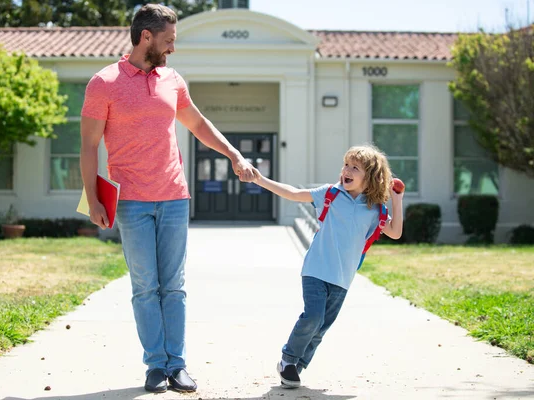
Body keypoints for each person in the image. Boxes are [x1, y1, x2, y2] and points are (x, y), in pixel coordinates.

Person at [79, 4, 255, 394]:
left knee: (173, 286)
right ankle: (155, 366)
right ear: (147, 37)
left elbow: (197, 124)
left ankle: (177, 365)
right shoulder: (103, 83)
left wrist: (234, 154)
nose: (173, 48)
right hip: (131, 202)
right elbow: (89, 147)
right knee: (145, 286)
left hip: (175, 196)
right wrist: (92, 199)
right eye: (169, 40)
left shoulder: (172, 80)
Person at [249, 144, 404, 388]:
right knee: (312, 317)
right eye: (346, 165)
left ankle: (294, 368)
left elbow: (395, 232)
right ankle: (288, 359)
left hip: (343, 278)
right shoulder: (330, 193)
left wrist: (397, 199)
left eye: (355, 167)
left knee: (321, 327)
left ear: (371, 176)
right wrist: (260, 180)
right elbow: (292, 193)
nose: (347, 170)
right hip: (316, 269)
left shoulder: (375, 209)